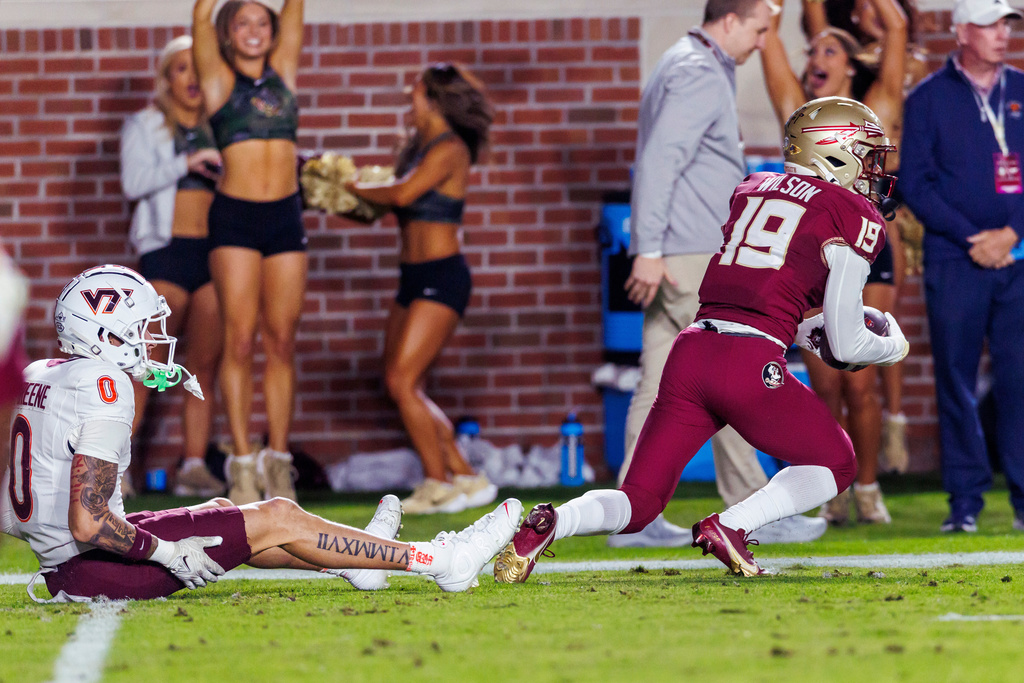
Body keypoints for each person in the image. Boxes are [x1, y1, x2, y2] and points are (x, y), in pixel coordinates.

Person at [494, 97, 909, 582]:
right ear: (833, 152)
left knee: (640, 501)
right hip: (748, 361)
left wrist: (800, 330)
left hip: (693, 350)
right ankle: (732, 525)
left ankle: (553, 521)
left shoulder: (754, 187)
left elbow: (756, 293)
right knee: (837, 462)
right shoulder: (849, 212)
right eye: (867, 154)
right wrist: (892, 346)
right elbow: (848, 344)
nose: (874, 169)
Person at [0, 265, 523, 602]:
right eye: (139, 330)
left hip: (72, 561)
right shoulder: (106, 385)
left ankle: (357, 563)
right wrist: (164, 553)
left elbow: (12, 509)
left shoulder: (44, 372)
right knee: (278, 515)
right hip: (95, 567)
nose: (152, 340)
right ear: (103, 336)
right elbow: (90, 521)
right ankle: (443, 561)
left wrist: (51, 544)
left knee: (222, 511)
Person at [614, 0, 826, 548]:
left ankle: (629, 516)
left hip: (679, 250)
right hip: (690, 254)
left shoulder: (683, 61)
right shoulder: (698, 71)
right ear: (730, 21)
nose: (762, 42)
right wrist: (648, 249)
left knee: (658, 385)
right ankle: (757, 511)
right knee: (731, 376)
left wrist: (652, 247)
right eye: (758, 29)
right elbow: (660, 160)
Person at [761, 0, 909, 524]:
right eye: (812, 51)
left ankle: (868, 486)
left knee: (859, 379)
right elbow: (767, 36)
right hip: (816, 252)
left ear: (850, 63)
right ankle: (834, 485)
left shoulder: (874, 110)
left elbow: (897, 26)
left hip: (868, 247)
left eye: (829, 50)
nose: (815, 58)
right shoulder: (802, 118)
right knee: (824, 383)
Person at [345, 64, 498, 515]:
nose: (407, 99)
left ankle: (437, 483)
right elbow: (386, 201)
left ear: (434, 100)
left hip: (442, 276)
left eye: (414, 93)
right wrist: (337, 196)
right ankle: (465, 475)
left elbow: (402, 195)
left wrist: (349, 183)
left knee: (403, 381)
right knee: (401, 383)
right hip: (412, 278)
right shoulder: (417, 149)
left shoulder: (450, 149)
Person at [900, 0, 1024, 533]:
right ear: (963, 32)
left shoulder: (1021, 90)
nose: (1003, 34)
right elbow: (914, 183)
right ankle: (965, 503)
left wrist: (1012, 233)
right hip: (956, 259)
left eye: (1007, 24)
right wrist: (973, 238)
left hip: (1018, 257)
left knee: (1020, 379)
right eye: (992, 24)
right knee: (955, 380)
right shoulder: (927, 99)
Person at [192, 0, 307, 504]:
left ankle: (278, 463)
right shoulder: (218, 79)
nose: (255, 31)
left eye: (263, 22)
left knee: (280, 341)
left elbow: (296, 7)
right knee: (238, 341)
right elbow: (199, 16)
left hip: (285, 216)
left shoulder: (284, 72)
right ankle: (242, 464)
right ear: (228, 32)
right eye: (243, 23)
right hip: (236, 218)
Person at [120, 35, 225, 499]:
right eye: (181, 69)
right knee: (146, 365)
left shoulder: (222, 125)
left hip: (215, 254)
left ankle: (194, 467)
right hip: (166, 252)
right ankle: (117, 466)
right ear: (167, 79)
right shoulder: (144, 125)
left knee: (203, 368)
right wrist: (188, 161)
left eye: (197, 67)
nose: (192, 78)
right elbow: (133, 182)